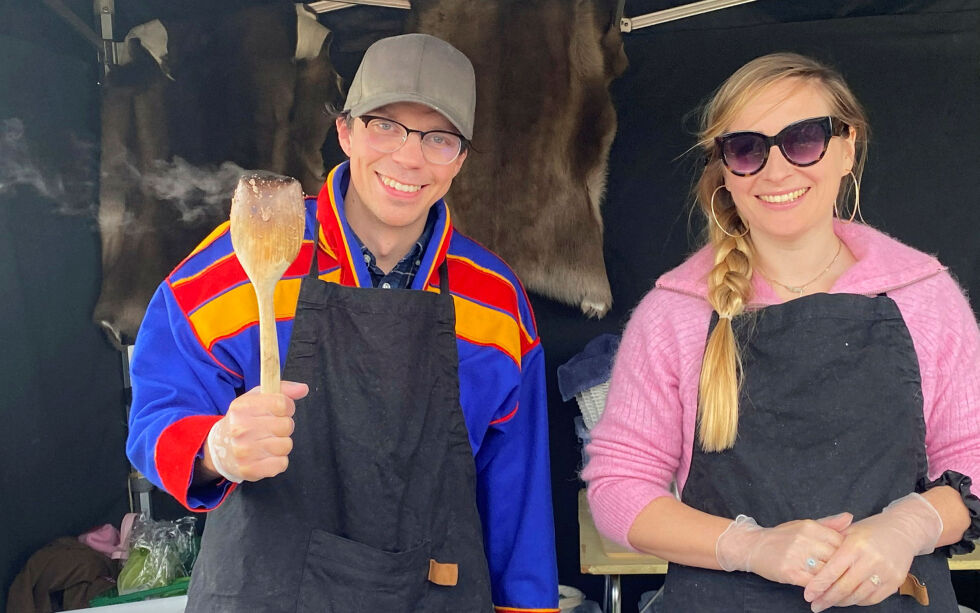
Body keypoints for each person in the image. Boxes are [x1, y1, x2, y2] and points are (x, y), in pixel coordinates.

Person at [126, 33, 559, 613]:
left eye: (439, 138)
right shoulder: (241, 260)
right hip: (266, 592)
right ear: (345, 132)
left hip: (437, 593)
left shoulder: (496, 299)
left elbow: (518, 491)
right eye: (385, 125)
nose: (409, 158)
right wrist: (216, 449)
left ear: (461, 158)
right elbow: (157, 414)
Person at [583, 52, 980, 612]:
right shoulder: (675, 311)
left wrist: (910, 524)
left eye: (804, 139)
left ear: (847, 147)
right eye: (746, 148)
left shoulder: (923, 294)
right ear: (724, 167)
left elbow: (975, 457)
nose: (776, 170)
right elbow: (619, 489)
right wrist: (749, 546)